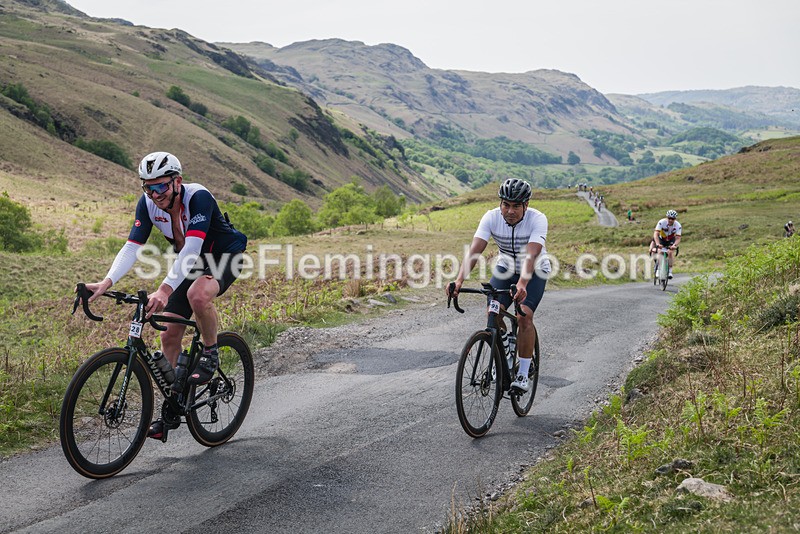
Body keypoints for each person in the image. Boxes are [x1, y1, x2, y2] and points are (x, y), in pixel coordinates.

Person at [82, 151, 247, 440]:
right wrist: (106, 282)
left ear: (177, 181)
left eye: (160, 186)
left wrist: (165, 289)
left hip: (224, 256)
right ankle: (174, 403)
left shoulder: (199, 197)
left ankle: (211, 352)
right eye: (148, 187)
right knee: (169, 332)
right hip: (191, 261)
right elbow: (132, 247)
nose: (154, 193)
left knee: (198, 295)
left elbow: (193, 248)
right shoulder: (147, 204)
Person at [448, 178, 550, 393]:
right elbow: (475, 250)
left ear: (526, 205)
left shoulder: (537, 219)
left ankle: (522, 373)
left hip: (535, 270)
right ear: (500, 204)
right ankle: (504, 347)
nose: (510, 211)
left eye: (515, 206)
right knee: (493, 312)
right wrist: (458, 281)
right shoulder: (491, 217)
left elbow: (532, 255)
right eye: (506, 204)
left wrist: (522, 284)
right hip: (506, 267)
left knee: (524, 316)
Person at [651, 209, 682, 279]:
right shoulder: (661, 222)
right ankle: (658, 269)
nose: (670, 220)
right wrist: (658, 244)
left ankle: (670, 271)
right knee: (660, 251)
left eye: (672, 219)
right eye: (669, 218)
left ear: (675, 219)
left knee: (670, 252)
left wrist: (675, 245)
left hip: (671, 239)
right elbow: (656, 234)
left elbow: (678, 238)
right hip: (661, 239)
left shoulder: (678, 225)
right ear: (666, 217)